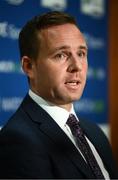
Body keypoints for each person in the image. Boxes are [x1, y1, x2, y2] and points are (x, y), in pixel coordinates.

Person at [0, 11, 117, 179]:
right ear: (29, 66)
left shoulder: (95, 132)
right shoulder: (17, 140)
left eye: (81, 53)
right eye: (61, 55)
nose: (77, 66)